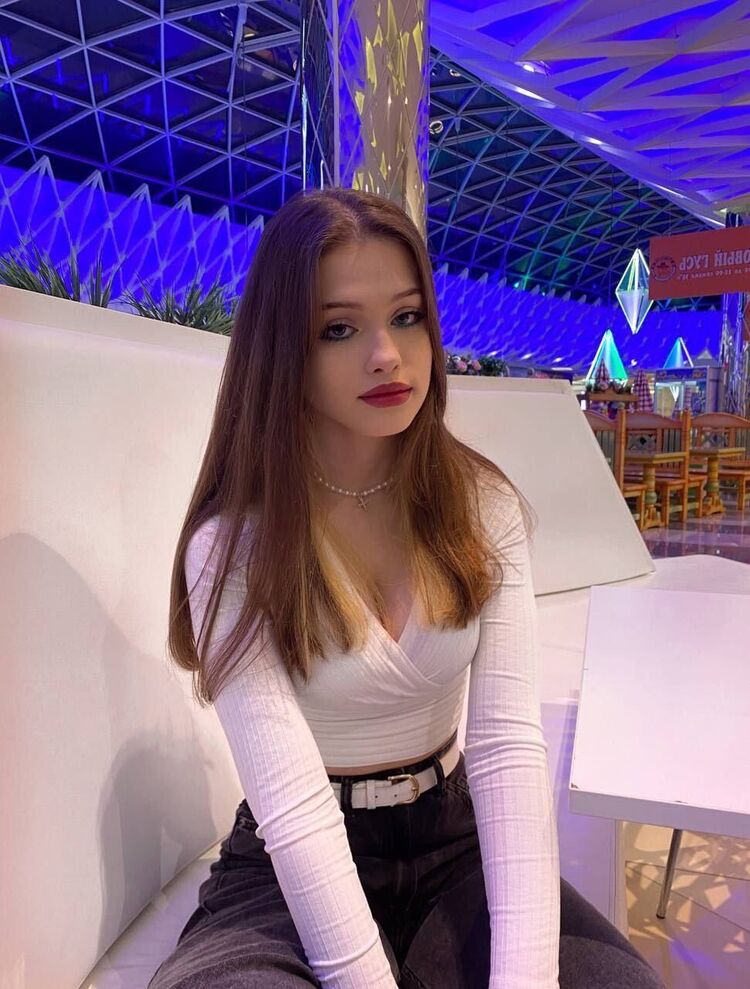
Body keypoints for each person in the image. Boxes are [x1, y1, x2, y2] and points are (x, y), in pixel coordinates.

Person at [149, 188, 665, 989]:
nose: (387, 354)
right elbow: (293, 803)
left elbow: (505, 749)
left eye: (407, 316)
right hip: (286, 869)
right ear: (283, 348)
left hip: (454, 843)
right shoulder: (233, 545)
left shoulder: (481, 504)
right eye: (339, 328)